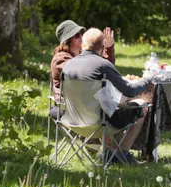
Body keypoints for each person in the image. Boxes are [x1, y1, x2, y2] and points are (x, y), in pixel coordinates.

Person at [61, 28, 153, 165]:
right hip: (99, 123)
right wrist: (147, 80)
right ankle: (121, 154)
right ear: (103, 46)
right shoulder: (103, 65)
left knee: (114, 106)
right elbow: (130, 91)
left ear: (83, 44)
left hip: (72, 121)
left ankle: (111, 152)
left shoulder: (68, 66)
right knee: (142, 107)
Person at [50, 20, 115, 118]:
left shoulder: (82, 55)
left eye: (81, 34)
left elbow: (106, 67)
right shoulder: (60, 58)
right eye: (76, 35)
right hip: (74, 109)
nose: (81, 37)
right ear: (67, 40)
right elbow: (83, 72)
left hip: (89, 103)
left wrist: (109, 48)